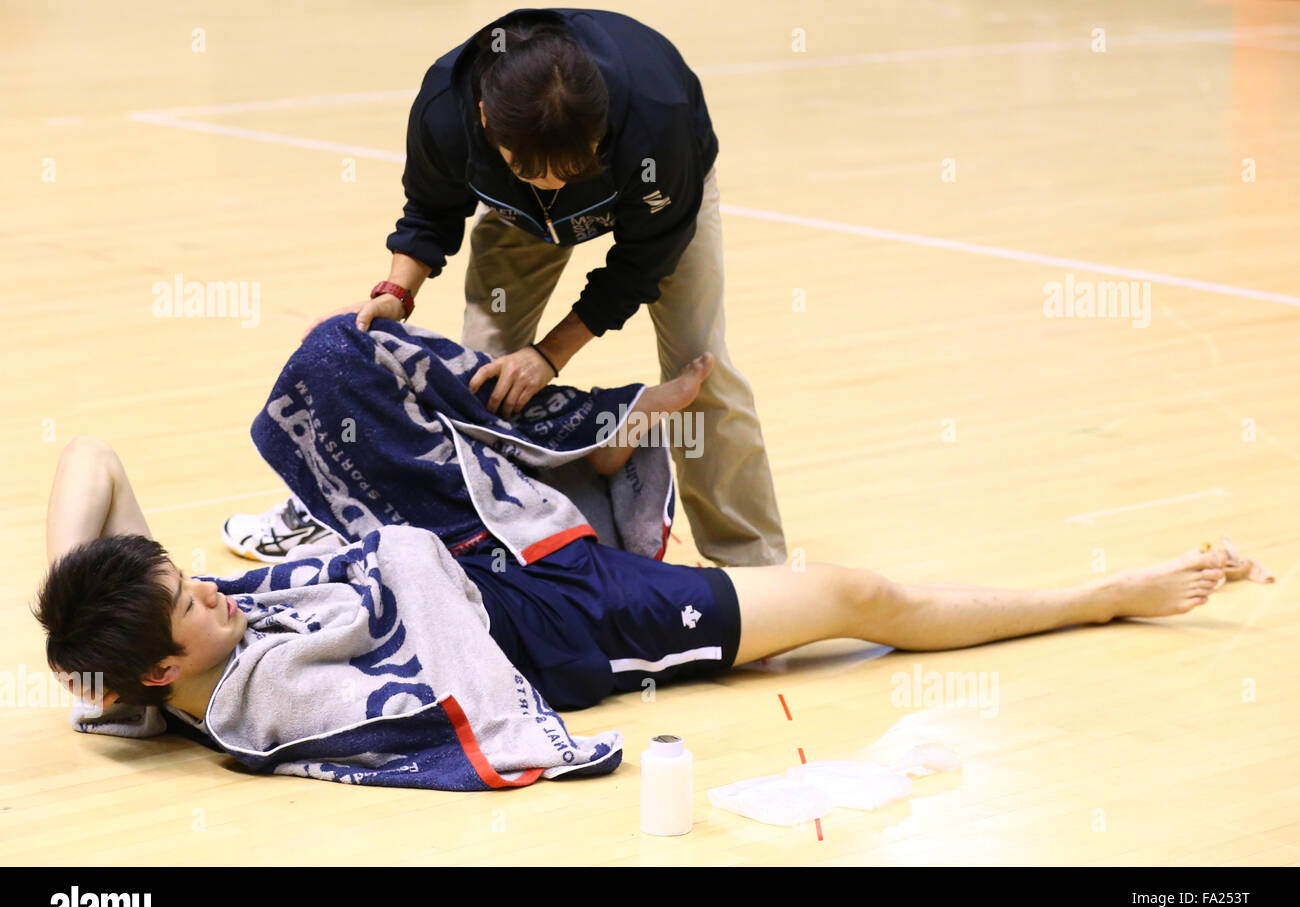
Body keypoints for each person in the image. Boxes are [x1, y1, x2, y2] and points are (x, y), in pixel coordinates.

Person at [36, 424, 1272, 724]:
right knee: (854, 599)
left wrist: (88, 605)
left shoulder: (138, 674)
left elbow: (91, 452)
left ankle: (617, 483)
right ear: (166, 665)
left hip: (497, 565)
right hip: (576, 628)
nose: (221, 593)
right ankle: (1105, 592)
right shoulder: (248, 701)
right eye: (197, 607)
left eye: (199, 577)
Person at [302, 7, 786, 569]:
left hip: (656, 207)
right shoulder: (446, 106)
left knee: (702, 371)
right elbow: (431, 213)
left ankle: (756, 565)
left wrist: (548, 356)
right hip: (517, 217)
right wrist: (396, 292)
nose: (553, 183)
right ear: (485, 118)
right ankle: (513, 550)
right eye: (533, 168)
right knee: (481, 376)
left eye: (570, 169)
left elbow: (640, 265)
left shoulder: (656, 120)